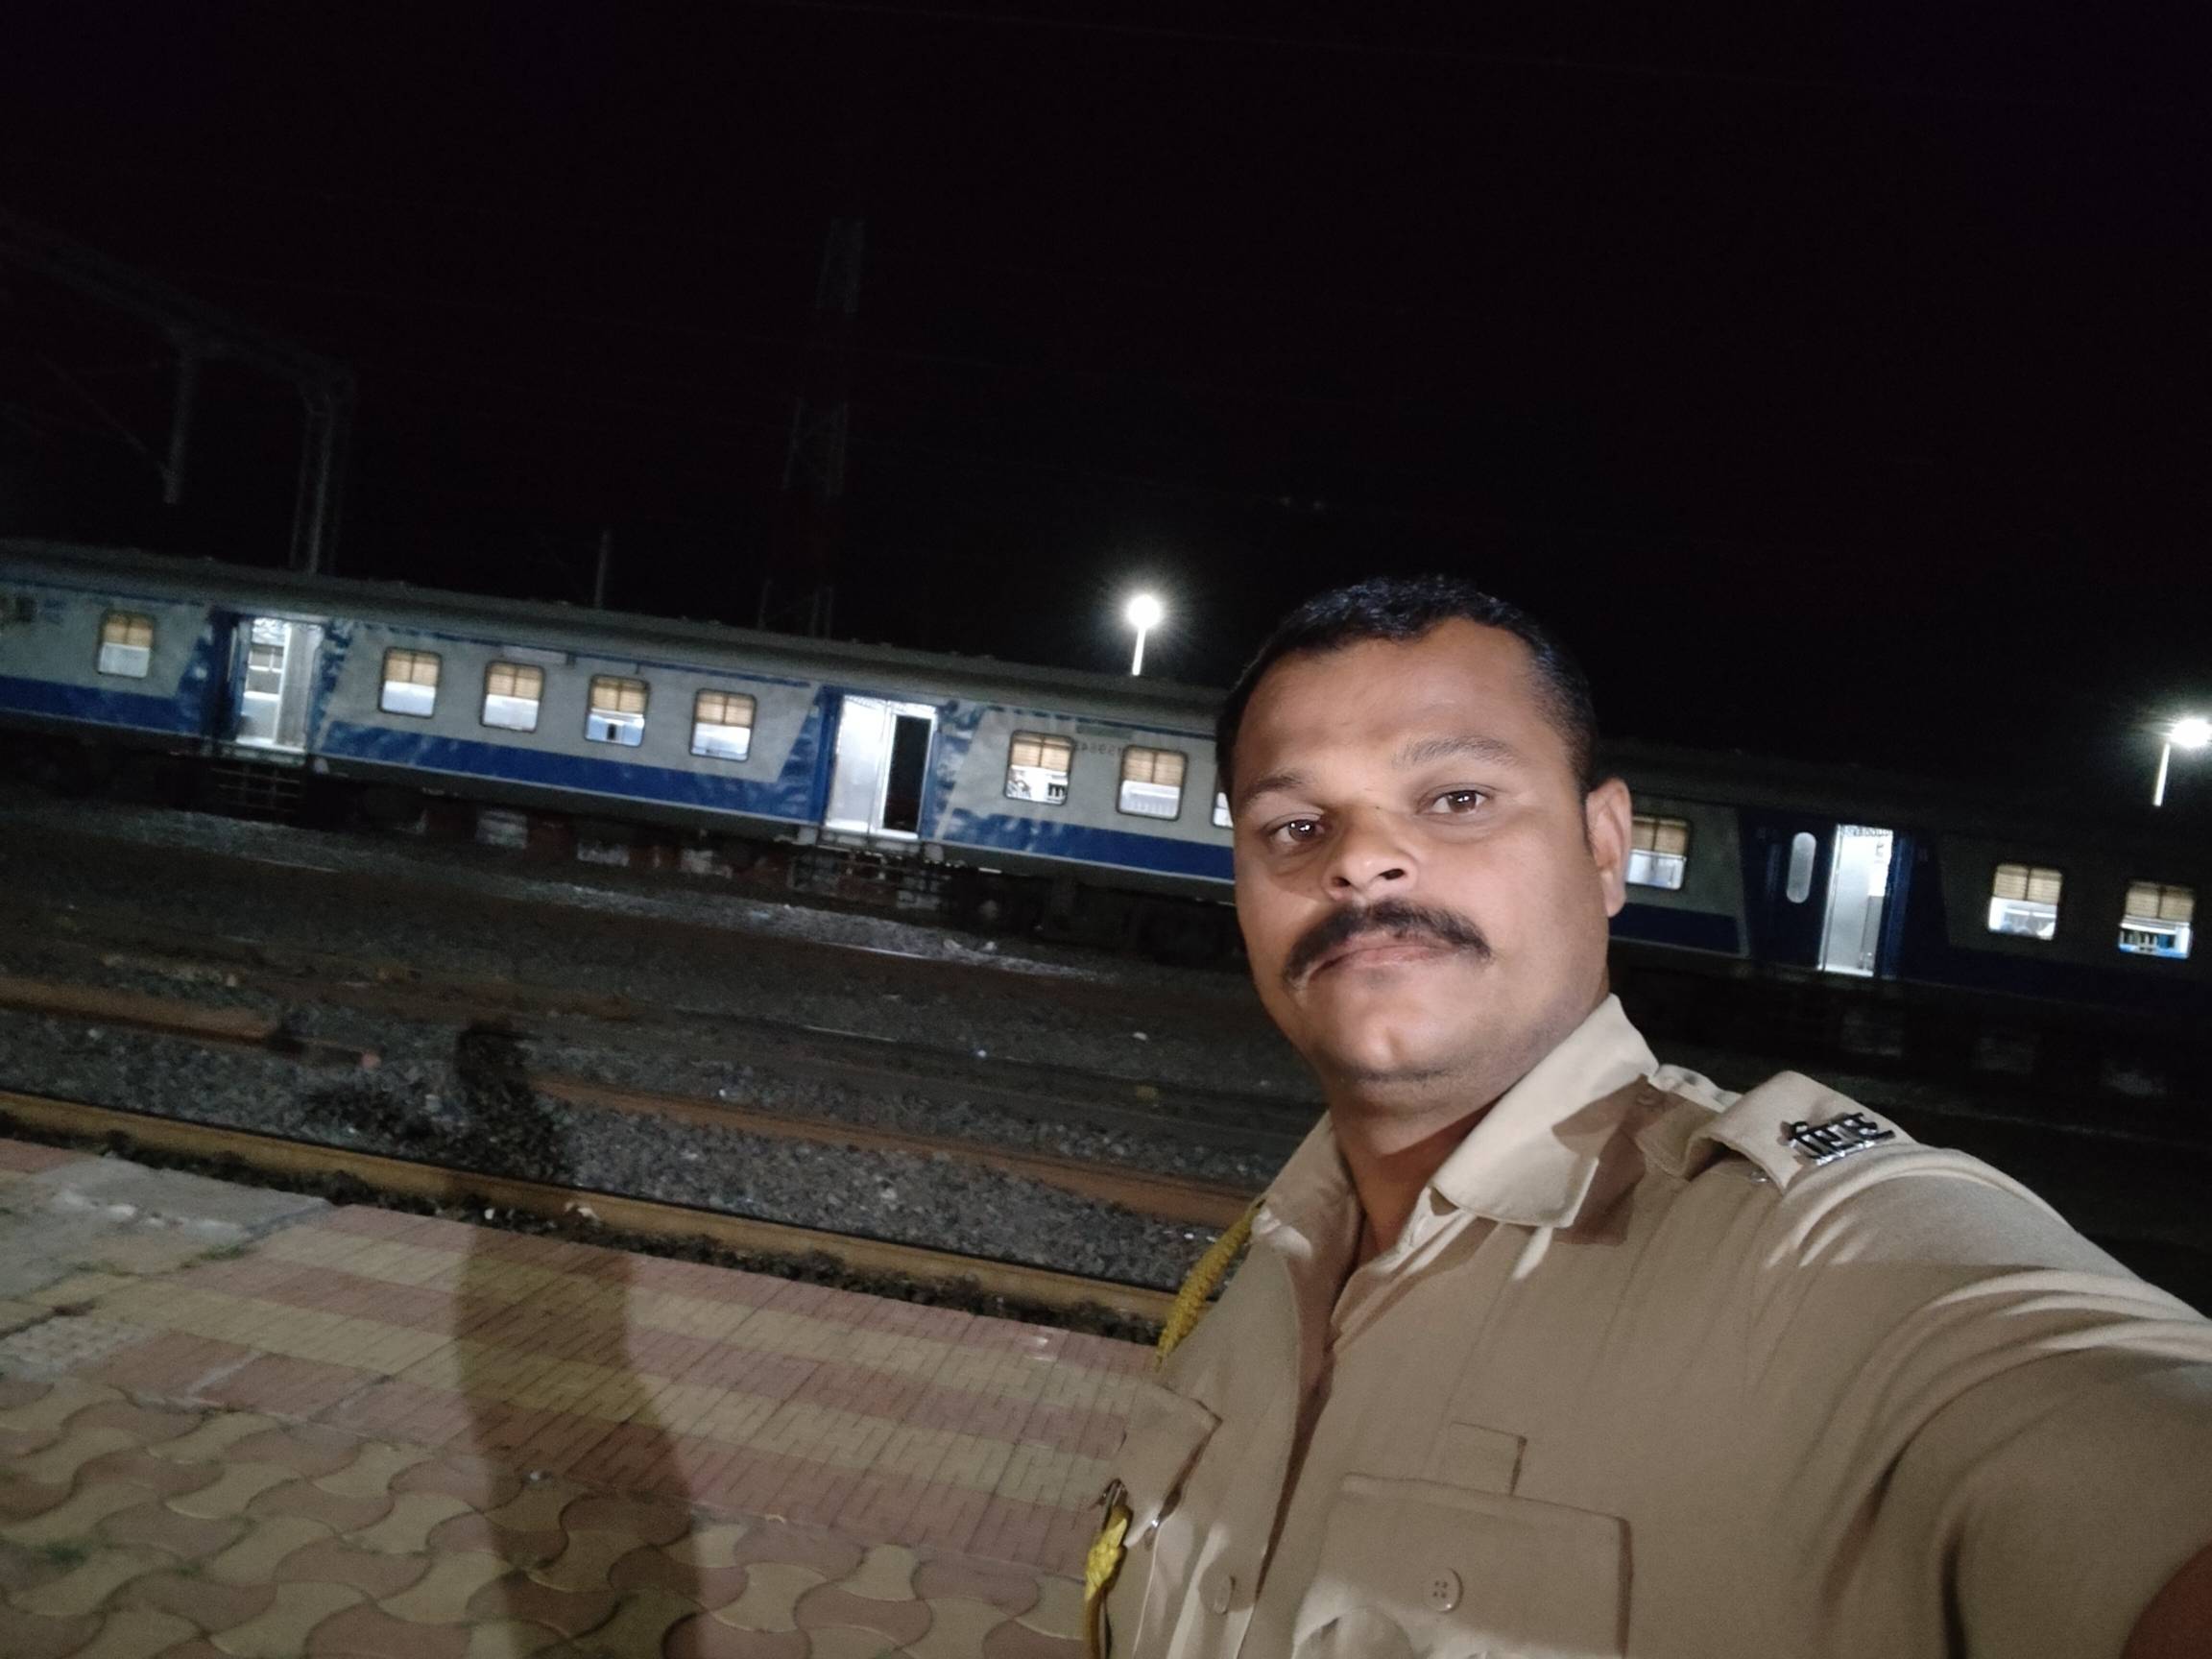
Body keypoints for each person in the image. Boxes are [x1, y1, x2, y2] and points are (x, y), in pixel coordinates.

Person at [1090, 575, 2212, 1659]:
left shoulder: (1825, 1260)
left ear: (1605, 847)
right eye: (1294, 825)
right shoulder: (1257, 1274)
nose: (1362, 860)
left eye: (1459, 799)